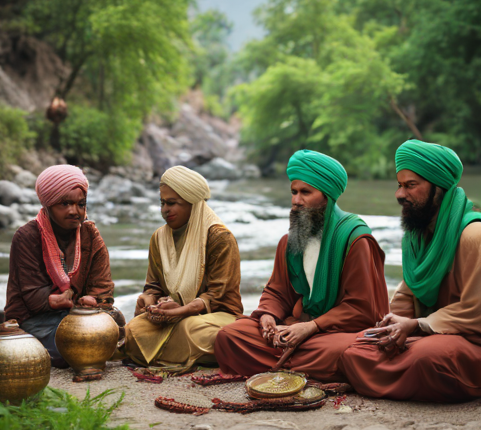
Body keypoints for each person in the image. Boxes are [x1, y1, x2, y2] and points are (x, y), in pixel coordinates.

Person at [214, 150, 389, 380]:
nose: (296, 201)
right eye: (294, 192)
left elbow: (362, 309)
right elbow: (277, 291)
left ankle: (290, 363)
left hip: (337, 333)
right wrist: (268, 317)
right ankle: (302, 365)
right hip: (294, 328)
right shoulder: (289, 242)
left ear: (327, 196)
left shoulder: (355, 240)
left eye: (306, 192)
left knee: (347, 352)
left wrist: (312, 327)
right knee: (230, 335)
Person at [340, 140, 481, 402]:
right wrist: (392, 324)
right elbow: (410, 291)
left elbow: (476, 311)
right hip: (431, 333)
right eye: (399, 185)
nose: (400, 194)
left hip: (470, 341)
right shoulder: (417, 236)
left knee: (428, 358)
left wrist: (417, 325)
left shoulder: (474, 235)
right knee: (358, 349)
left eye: (410, 185)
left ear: (438, 188)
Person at [121, 166, 243, 373]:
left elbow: (217, 295)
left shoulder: (220, 238)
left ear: (193, 204)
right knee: (134, 329)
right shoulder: (158, 238)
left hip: (215, 315)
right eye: (162, 203)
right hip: (173, 314)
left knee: (194, 330)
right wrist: (149, 300)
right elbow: (153, 286)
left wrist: (181, 311)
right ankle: (185, 356)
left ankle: (166, 355)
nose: (165, 210)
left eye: (172, 203)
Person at [5, 165, 118, 368]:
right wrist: (57, 300)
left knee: (115, 322)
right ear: (48, 204)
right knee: (69, 345)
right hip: (38, 319)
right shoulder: (27, 236)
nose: (74, 211)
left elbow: (103, 283)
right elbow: (31, 297)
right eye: (64, 204)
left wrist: (92, 299)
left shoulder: (90, 234)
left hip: (81, 314)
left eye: (80, 204)